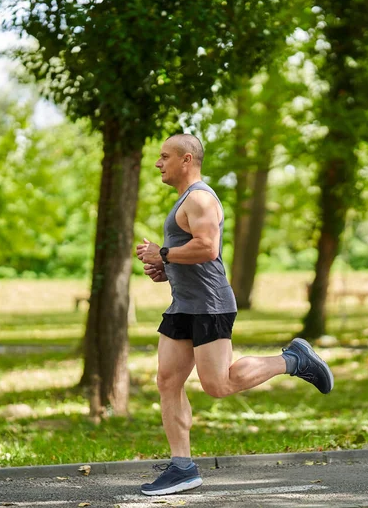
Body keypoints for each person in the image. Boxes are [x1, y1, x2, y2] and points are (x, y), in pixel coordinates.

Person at [135, 134, 334, 497]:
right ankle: (182, 467)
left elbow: (208, 248)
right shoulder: (184, 201)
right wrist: (167, 267)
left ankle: (293, 359)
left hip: (210, 304)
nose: (158, 163)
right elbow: (189, 251)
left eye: (165, 156)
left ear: (187, 159)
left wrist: (163, 253)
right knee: (167, 380)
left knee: (218, 384)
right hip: (183, 305)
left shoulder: (200, 198)